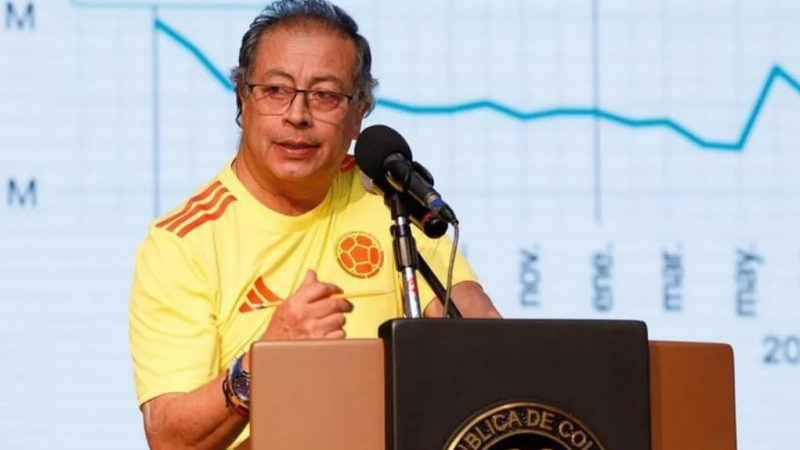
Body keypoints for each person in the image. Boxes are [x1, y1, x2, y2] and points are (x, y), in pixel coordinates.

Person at [128, 0, 502, 449]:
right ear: (242, 99)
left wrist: (490, 347)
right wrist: (263, 362)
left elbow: (479, 337)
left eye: (325, 95)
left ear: (359, 112)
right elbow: (170, 439)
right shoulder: (183, 243)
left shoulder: (387, 198)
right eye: (275, 90)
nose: (298, 115)